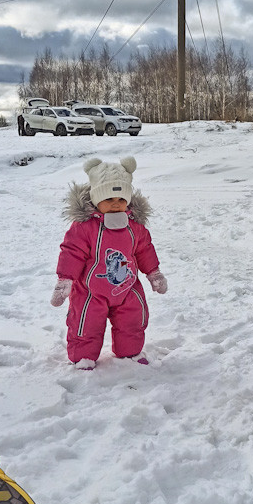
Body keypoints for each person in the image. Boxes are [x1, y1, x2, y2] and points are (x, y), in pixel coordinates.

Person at [50, 156, 167, 370]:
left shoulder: (135, 226)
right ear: (96, 199)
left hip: (127, 287)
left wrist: (154, 273)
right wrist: (65, 280)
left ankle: (130, 352)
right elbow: (72, 252)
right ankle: (83, 357)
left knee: (133, 319)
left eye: (122, 199)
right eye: (109, 198)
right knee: (86, 324)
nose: (116, 203)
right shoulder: (84, 227)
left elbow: (144, 249)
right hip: (90, 291)